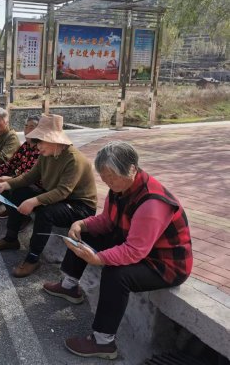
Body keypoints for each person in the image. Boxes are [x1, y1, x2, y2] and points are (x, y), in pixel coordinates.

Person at [43, 141, 192, 360]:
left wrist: (99, 259)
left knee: (117, 274)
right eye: (103, 176)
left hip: (165, 263)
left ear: (132, 169)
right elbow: (107, 220)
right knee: (84, 236)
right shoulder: (121, 188)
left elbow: (134, 251)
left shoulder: (152, 202)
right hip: (139, 246)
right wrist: (81, 224)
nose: (107, 181)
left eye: (111, 176)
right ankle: (69, 286)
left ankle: (104, 342)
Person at [0, 114, 97, 277]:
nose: (36, 145)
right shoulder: (46, 154)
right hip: (56, 196)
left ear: (54, 140)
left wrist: (34, 201)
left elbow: (63, 191)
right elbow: (29, 177)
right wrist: (7, 184)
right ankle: (11, 238)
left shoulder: (73, 160)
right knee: (15, 192)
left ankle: (33, 258)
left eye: (40, 140)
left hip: (79, 206)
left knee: (46, 213)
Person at [0, 116, 41, 219]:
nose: (27, 130)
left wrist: (11, 179)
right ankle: (11, 209)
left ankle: (23, 218)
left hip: (34, 184)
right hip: (20, 177)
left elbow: (31, 176)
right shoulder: (25, 146)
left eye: (32, 127)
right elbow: (11, 164)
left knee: (16, 188)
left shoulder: (41, 148)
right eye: (26, 126)